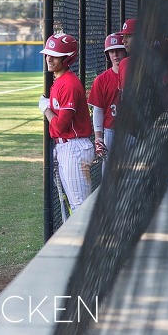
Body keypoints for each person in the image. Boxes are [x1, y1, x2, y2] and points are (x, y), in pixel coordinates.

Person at [38, 33, 95, 212]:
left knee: (80, 208)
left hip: (74, 148)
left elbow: (62, 126)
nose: (49, 59)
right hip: (66, 147)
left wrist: (46, 110)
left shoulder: (68, 84)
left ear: (67, 58)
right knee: (76, 206)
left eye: (55, 56)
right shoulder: (59, 81)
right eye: (48, 54)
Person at [87, 33, 127, 176]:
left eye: (118, 50)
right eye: (111, 51)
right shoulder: (101, 80)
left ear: (125, 50)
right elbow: (98, 110)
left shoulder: (137, 76)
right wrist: (98, 137)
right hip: (111, 131)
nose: (115, 54)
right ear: (107, 55)